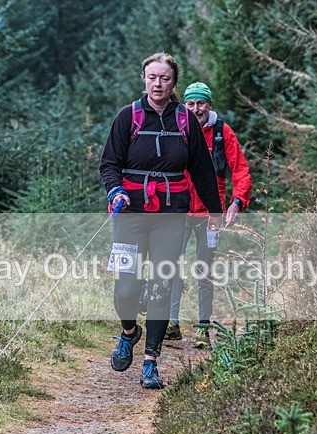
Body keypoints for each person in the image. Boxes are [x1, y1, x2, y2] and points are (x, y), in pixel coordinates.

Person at [100, 53, 224, 389]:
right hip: (129, 213)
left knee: (160, 284)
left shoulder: (186, 120)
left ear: (174, 83)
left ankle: (151, 362)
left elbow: (201, 169)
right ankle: (129, 332)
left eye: (165, 78)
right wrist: (115, 192)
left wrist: (214, 211)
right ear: (144, 79)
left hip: (171, 214)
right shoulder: (128, 117)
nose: (158, 84)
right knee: (126, 287)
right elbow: (109, 164)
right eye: (152, 77)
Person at [164, 82, 252, 348]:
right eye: (190, 103)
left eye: (201, 103)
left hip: (211, 215)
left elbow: (241, 170)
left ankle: (203, 328)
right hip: (178, 210)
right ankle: (172, 323)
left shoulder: (222, 133)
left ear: (209, 105)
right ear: (184, 105)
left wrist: (237, 201)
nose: (196, 108)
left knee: (204, 271)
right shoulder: (176, 128)